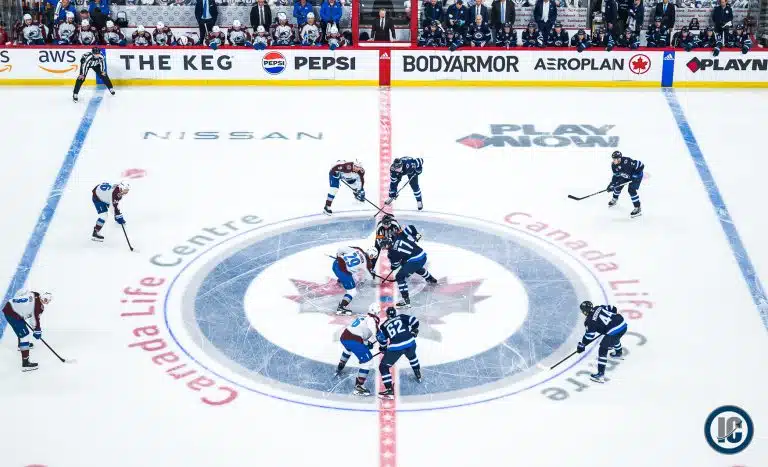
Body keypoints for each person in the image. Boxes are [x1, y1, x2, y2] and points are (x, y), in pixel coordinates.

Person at [384, 225, 437, 308]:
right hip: (422, 255)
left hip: (415, 260)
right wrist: (415, 234)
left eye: (384, 247)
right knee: (410, 266)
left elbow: (395, 265)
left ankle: (406, 302)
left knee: (399, 276)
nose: (383, 248)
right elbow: (410, 227)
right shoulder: (399, 236)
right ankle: (430, 279)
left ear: (387, 245)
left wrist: (393, 266)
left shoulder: (391, 253)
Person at [576, 301, 627, 384]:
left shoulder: (589, 321)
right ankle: (618, 353)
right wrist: (609, 323)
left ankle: (600, 375)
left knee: (603, 348)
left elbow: (589, 336)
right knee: (614, 337)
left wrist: (582, 345)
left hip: (614, 330)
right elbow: (613, 308)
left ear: (584, 311)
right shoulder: (598, 307)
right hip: (622, 324)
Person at [376, 306, 421, 398]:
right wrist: (414, 330)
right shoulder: (402, 317)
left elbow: (382, 340)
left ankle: (389, 390)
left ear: (387, 315)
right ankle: (417, 373)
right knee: (412, 356)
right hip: (410, 343)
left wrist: (383, 348)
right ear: (395, 313)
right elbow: (415, 321)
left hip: (396, 348)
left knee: (383, 367)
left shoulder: (383, 325)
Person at [2, 291, 53, 372]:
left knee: (22, 329)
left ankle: (20, 345)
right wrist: (37, 330)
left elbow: (20, 293)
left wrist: (20, 309)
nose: (46, 302)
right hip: (12, 314)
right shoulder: (38, 306)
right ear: (44, 298)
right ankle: (25, 364)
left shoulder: (34, 294)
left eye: (47, 301)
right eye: (46, 300)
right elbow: (34, 321)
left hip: (11, 308)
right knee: (25, 335)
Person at [336, 306, 381, 396]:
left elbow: (361, 333)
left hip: (345, 336)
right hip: (354, 340)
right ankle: (359, 387)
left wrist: (367, 343)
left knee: (348, 348)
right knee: (368, 362)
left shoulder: (363, 316)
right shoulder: (372, 320)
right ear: (376, 313)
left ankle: (341, 364)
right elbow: (376, 336)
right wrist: (381, 345)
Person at [332, 246, 377, 315]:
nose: (372, 259)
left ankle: (340, 281)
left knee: (350, 273)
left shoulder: (358, 250)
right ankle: (341, 308)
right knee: (352, 291)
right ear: (371, 255)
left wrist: (338, 256)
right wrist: (372, 274)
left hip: (335, 264)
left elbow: (341, 249)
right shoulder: (367, 264)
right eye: (373, 257)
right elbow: (369, 277)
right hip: (341, 271)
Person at [607, 150, 644, 218]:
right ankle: (614, 199)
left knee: (631, 190)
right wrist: (612, 184)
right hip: (625, 176)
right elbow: (616, 176)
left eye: (615, 159)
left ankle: (638, 208)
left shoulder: (627, 161)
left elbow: (641, 164)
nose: (613, 161)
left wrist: (636, 175)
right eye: (613, 159)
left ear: (619, 159)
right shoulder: (613, 165)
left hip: (636, 177)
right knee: (617, 186)